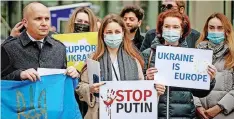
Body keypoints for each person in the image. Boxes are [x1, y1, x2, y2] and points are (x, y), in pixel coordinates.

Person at [142, 9, 216, 118]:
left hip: (184, 115)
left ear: (182, 31)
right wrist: (147, 80)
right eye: (167, 26)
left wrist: (209, 79)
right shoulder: (148, 54)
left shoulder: (192, 57)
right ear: (161, 29)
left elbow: (199, 93)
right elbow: (135, 88)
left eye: (176, 27)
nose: (170, 30)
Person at [76, 14, 145, 119]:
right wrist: (90, 89)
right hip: (99, 113)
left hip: (127, 113)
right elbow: (80, 86)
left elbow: (142, 88)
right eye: (109, 32)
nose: (113, 35)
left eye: (117, 32)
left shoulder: (134, 60)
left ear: (123, 33)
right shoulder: (93, 58)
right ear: (103, 34)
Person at [1, 2, 79, 81]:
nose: (44, 23)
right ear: (25, 22)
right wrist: (20, 75)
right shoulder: (8, 48)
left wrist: (73, 74)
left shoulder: (59, 48)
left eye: (47, 19)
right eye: (38, 19)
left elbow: (63, 82)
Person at [193, 13, 234, 119]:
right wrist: (197, 106)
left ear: (226, 31)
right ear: (206, 30)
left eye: (220, 28)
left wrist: (219, 107)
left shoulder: (232, 54)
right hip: (200, 115)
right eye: (211, 27)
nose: (215, 31)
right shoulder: (197, 53)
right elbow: (190, 85)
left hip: (226, 115)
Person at [65, 6, 98, 117]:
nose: (82, 24)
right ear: (73, 21)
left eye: (86, 22)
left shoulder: (98, 46)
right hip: (68, 94)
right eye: (79, 21)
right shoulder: (61, 43)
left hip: (89, 99)